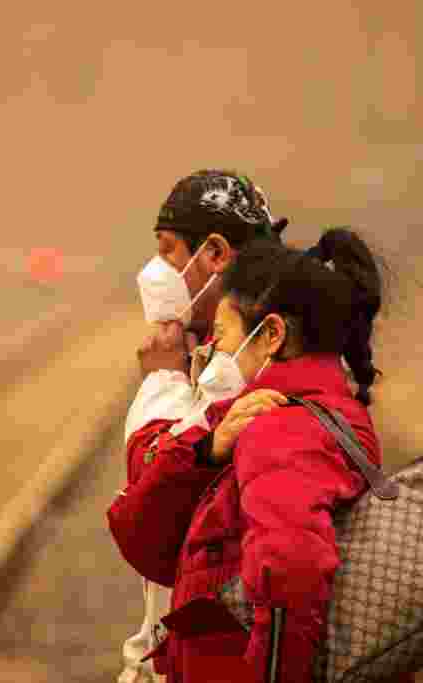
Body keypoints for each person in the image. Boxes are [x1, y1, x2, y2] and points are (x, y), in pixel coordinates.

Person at [109, 230, 414, 682]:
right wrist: (208, 451)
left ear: (270, 334)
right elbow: (145, 530)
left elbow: (289, 567)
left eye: (223, 333)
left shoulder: (278, 425)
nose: (214, 350)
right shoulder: (320, 408)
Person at [120, 169, 288, 683]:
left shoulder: (251, 363)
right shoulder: (224, 350)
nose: (156, 269)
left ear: (215, 254)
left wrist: (161, 381)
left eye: (169, 250)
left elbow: (153, 500)